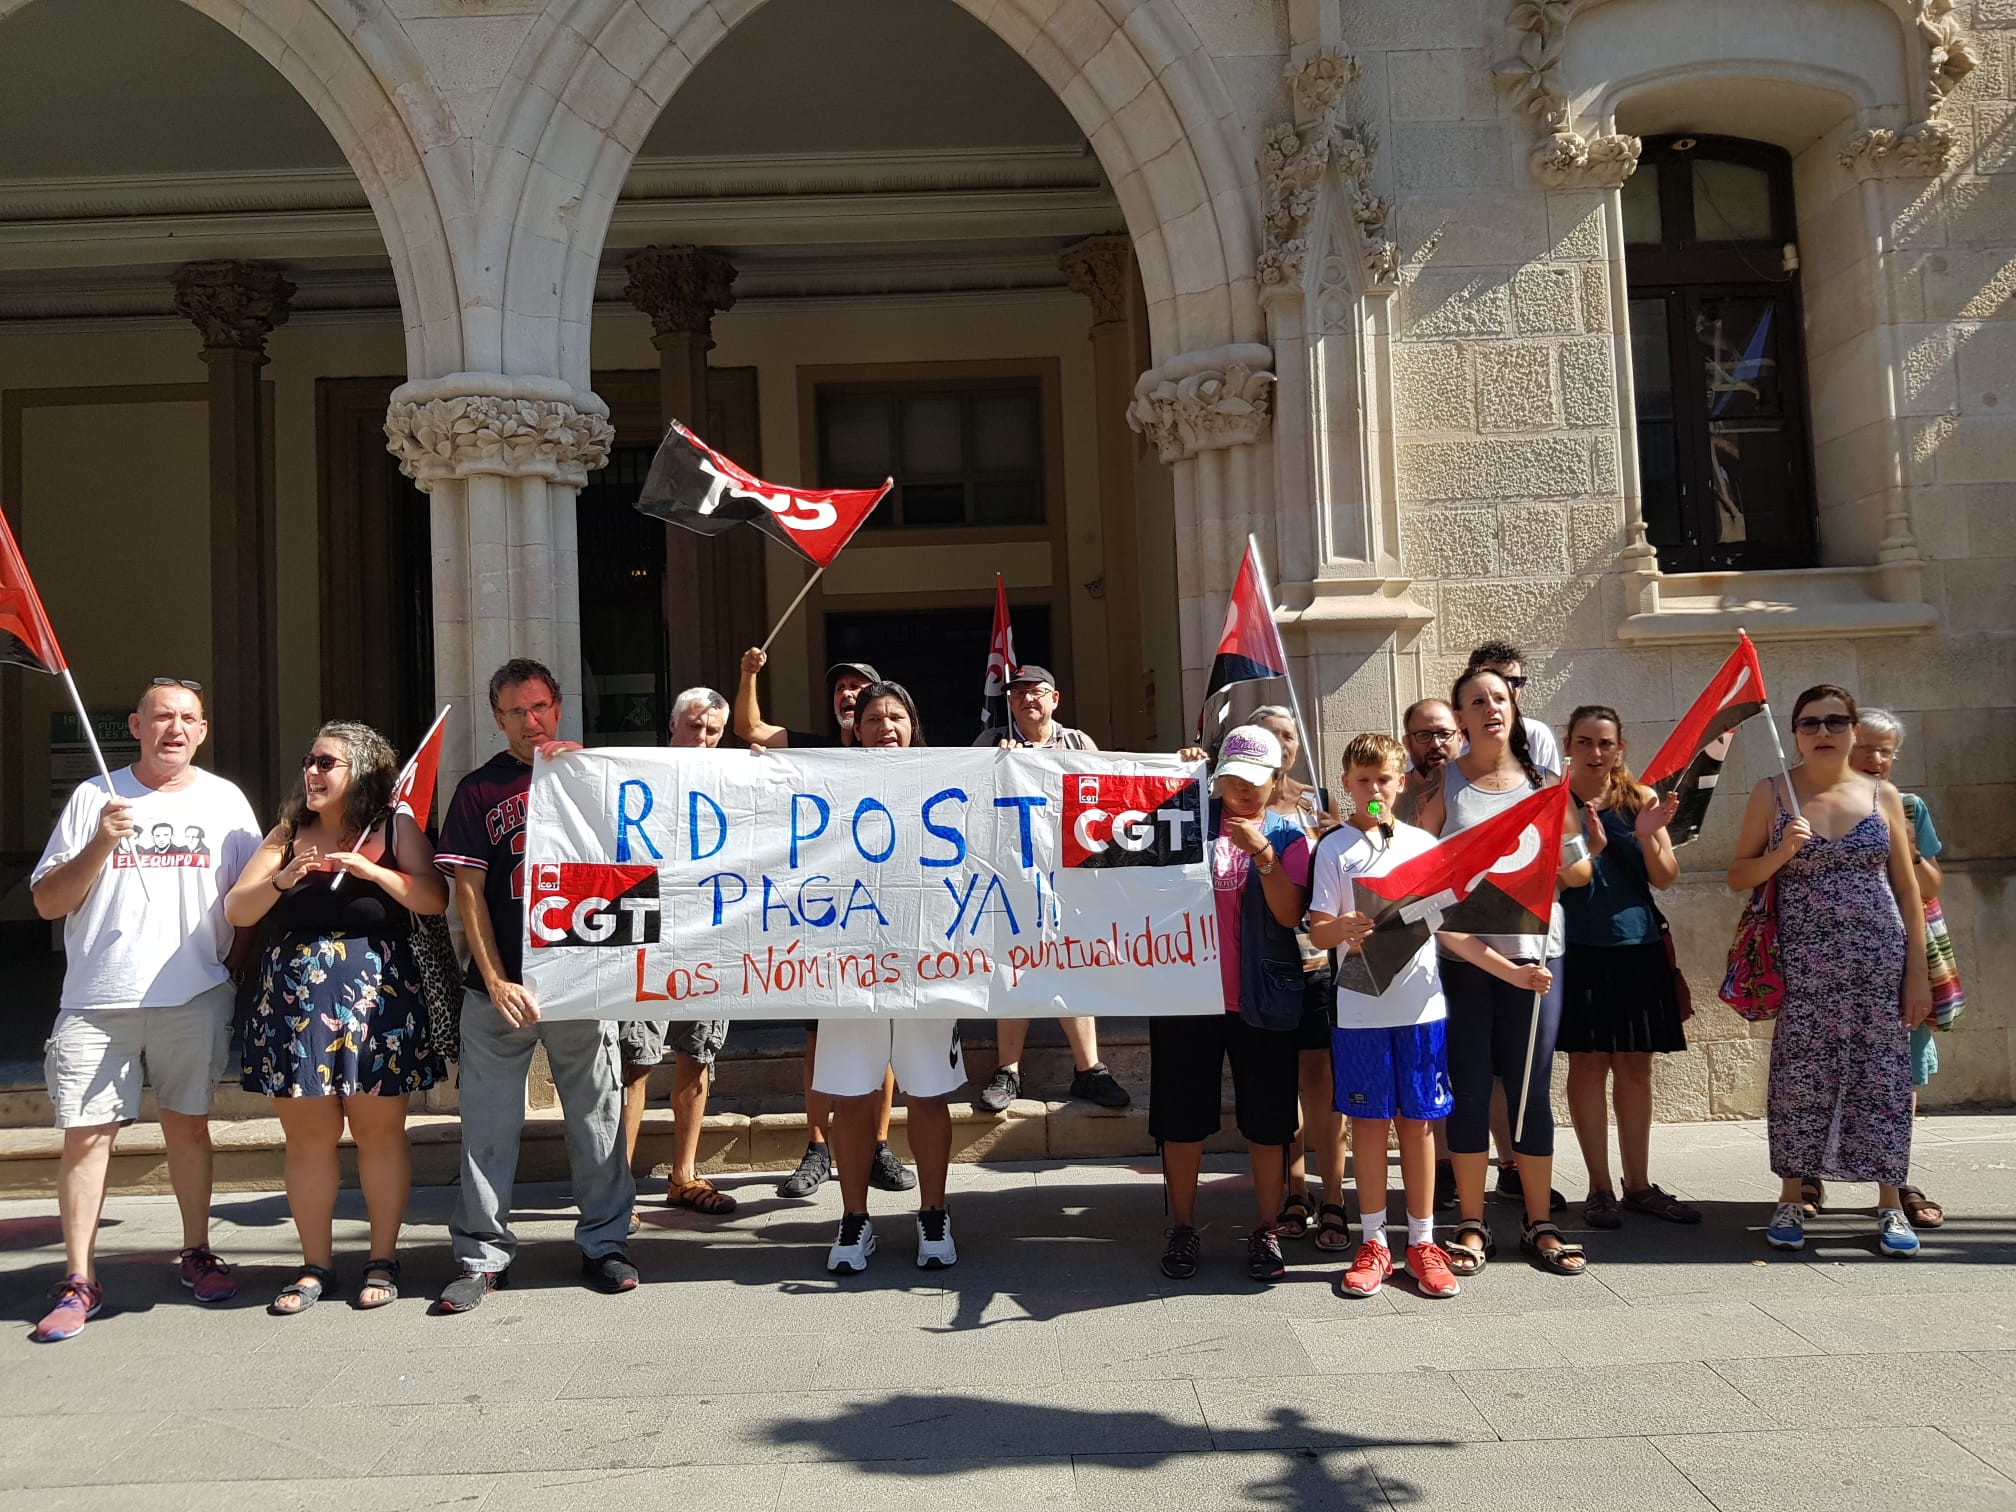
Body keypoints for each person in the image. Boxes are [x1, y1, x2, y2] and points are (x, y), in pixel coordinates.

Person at [29, 678, 262, 1342]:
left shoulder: (225, 801)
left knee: (189, 1130)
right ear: (135, 725)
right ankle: (79, 1278)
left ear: (204, 729)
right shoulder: (94, 797)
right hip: (98, 1002)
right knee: (87, 1138)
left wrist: (232, 967)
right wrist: (102, 841)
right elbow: (48, 903)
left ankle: (196, 1251)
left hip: (193, 998)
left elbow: (249, 899)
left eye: (187, 718)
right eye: (162, 716)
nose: (174, 728)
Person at [1308, 733, 1553, 1299]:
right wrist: (1339, 930)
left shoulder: (1422, 846)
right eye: (1362, 780)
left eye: (1383, 780)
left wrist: (1512, 972)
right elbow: (1316, 927)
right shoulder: (1334, 848)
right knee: (1370, 1126)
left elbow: (1451, 929)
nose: (1374, 789)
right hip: (1362, 1006)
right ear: (1347, 784)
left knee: (1418, 1125)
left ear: (1401, 784)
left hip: (1421, 1007)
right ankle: (1373, 1241)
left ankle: (1421, 1241)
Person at [433, 658, 638, 1311]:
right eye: (517, 711)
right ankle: (481, 1257)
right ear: (498, 719)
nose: (532, 720)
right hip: (500, 988)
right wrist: (492, 978)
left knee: (598, 1116)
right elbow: (465, 895)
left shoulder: (594, 778)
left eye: (541, 706)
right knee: (488, 1126)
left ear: (559, 706)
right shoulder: (478, 791)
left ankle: (605, 1245)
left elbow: (635, 868)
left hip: (582, 981)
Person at [225, 722, 449, 1312]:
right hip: (296, 1000)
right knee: (307, 1139)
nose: (312, 772)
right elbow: (238, 909)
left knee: (379, 1133)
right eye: (309, 761)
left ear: (363, 772)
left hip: (378, 998)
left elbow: (433, 897)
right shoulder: (288, 832)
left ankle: (382, 1257)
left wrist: (376, 872)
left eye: (327, 763)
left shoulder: (394, 826)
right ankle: (314, 1264)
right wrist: (282, 878)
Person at [1729, 686, 1931, 1258]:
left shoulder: (1883, 793)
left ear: (1851, 730)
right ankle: (1793, 1194)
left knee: (1884, 1082)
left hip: (1879, 964)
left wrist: (1918, 971)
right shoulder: (1774, 793)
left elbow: (1908, 890)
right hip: (1806, 968)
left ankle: (1890, 1202)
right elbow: (1737, 875)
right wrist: (1781, 853)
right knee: (1801, 1082)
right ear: (1794, 732)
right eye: (1810, 723)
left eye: (1835, 722)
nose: (1823, 732)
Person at [1416, 666, 1592, 1278]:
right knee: (1468, 1086)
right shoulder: (1446, 785)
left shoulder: (1546, 784)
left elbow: (1580, 873)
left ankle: (1539, 1222)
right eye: (1475, 701)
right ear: (1459, 718)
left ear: (1513, 706)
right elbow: (1420, 880)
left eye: (1498, 697)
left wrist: (1543, 861)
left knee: (1528, 1088)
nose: (1491, 707)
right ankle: (1470, 1221)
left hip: (1537, 954)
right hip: (1463, 958)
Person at [736, 646, 914, 1201]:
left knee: (882, 1032)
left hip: (890, 917)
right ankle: (818, 1147)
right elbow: (749, 729)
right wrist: (748, 674)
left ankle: (878, 1144)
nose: (847, 693)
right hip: (826, 917)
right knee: (819, 1036)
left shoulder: (917, 761)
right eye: (840, 688)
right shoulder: (812, 748)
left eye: (859, 687)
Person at [1152, 725, 1311, 1284]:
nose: (1242, 791)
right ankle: (1183, 1225)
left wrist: (1262, 854)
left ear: (1275, 779)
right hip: (1184, 994)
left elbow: (1291, 916)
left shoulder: (1289, 836)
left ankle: (1265, 1228)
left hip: (1261, 998)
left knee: (1268, 1122)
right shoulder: (1184, 819)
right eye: (1231, 779)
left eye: (1253, 780)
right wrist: (1179, 776)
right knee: (1181, 1118)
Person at [816, 681, 965, 1275]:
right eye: (873, 717)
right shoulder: (826, 782)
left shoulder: (949, 776)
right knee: (852, 1097)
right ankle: (855, 1220)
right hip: (848, 963)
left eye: (896, 717)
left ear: (913, 724)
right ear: (856, 728)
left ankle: (934, 1214)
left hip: (927, 961)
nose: (885, 727)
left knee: (926, 1093)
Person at [1555, 707, 1698, 1231]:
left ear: (1621, 748)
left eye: (1606, 743)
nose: (1596, 752)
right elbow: (1556, 881)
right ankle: (1599, 1188)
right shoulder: (1552, 803)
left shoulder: (1642, 799)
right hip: (1579, 948)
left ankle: (1638, 1185)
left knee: (1636, 1068)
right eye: (1586, 741)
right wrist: (1586, 850)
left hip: (1638, 945)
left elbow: (1666, 877)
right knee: (1588, 1067)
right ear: (1568, 744)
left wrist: (1644, 833)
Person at [971, 665, 1130, 1114]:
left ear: (1054, 698)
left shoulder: (1078, 744)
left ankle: (1089, 1071)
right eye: (1017, 693)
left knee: (1072, 965)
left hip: (1071, 879)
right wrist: (993, 766)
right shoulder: (989, 744)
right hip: (1012, 876)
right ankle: (1009, 1072)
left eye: (1035, 692)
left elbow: (1110, 797)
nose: (1026, 700)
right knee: (1013, 966)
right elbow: (969, 801)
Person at [617, 688, 736, 1231]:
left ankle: (683, 1176)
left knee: (698, 1053)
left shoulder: (737, 780)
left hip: (712, 932)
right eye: (695, 726)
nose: (703, 738)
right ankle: (615, 1189)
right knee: (635, 1061)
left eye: (713, 730)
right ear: (671, 724)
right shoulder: (639, 774)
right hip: (652, 933)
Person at [1247, 705, 1348, 1254]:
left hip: (1316, 963)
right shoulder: (1239, 804)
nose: (1281, 743)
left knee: (1320, 1079)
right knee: (1278, 1084)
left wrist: (1339, 837)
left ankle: (1332, 1194)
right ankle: (1294, 1191)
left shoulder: (1321, 801)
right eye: (1269, 734)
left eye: (1288, 734)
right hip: (1260, 964)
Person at [1848, 708, 1951, 1230]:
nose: (1874, 759)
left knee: (1902, 1069)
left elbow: (1931, 882)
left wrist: (1908, 849)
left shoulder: (1909, 805)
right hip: (1840, 960)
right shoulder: (1819, 803)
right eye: (1865, 746)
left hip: (1901, 956)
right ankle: (1809, 1176)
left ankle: (1897, 1177)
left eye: (1885, 751)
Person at [1395, 697, 1458, 828]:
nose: (1435, 744)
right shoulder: (1391, 795)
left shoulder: (1481, 790)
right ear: (1407, 743)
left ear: (1461, 738)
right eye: (1423, 735)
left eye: (1444, 734)